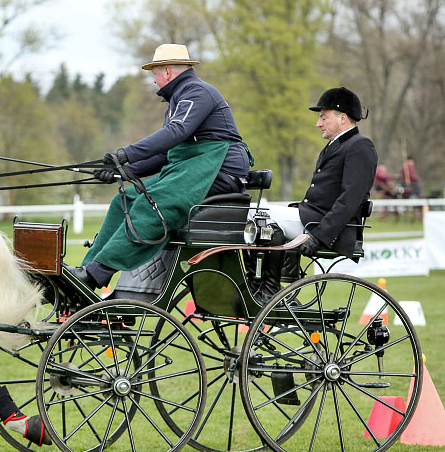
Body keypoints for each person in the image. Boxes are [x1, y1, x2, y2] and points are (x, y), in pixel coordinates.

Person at [72, 43, 251, 288]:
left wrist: (126, 154)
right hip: (191, 167)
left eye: (154, 74)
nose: (154, 80)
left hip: (220, 170)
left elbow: (176, 132)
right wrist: (122, 171)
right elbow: (169, 153)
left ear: (167, 71)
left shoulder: (197, 92)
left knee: (151, 205)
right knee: (123, 200)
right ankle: (86, 271)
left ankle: (97, 273)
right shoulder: (178, 100)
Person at [261, 86, 377, 259]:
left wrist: (320, 235)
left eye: (323, 117)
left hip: (324, 227)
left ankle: (270, 277)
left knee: (259, 214)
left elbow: (350, 199)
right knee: (257, 215)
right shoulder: (336, 145)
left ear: (342, 118)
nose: (318, 124)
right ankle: (266, 274)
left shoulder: (360, 146)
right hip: (310, 217)